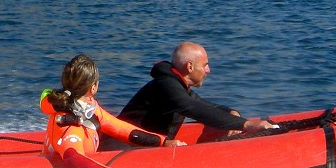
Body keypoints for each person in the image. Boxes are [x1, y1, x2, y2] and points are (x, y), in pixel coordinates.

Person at [41, 53, 179, 168]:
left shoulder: (91, 111)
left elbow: (123, 129)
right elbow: (73, 159)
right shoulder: (70, 125)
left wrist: (163, 142)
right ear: (93, 88)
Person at [118, 41, 277, 142]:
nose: (208, 70)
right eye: (205, 65)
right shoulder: (165, 86)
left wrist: (231, 113)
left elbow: (203, 105)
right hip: (121, 150)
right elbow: (194, 109)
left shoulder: (176, 85)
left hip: (146, 146)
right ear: (190, 67)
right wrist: (247, 125)